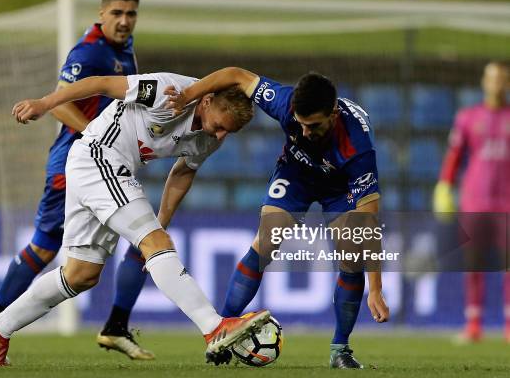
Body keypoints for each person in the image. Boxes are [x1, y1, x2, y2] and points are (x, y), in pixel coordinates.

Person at [0, 71, 270, 367]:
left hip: (102, 168)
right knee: (155, 243)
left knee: (82, 274)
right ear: (206, 101)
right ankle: (214, 327)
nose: (219, 135)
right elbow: (102, 84)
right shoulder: (165, 91)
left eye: (228, 132)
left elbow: (183, 172)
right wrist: (45, 103)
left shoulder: (210, 138)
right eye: (219, 125)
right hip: (99, 157)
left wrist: (161, 222)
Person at [164, 67, 390, 369]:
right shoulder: (285, 102)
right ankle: (221, 332)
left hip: (339, 187)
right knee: (267, 240)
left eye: (315, 126)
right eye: (302, 124)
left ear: (333, 114)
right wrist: (188, 95)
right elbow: (236, 75)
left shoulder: (357, 148)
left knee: (352, 256)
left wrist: (375, 288)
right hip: (296, 174)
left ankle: (340, 350)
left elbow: (368, 222)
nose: (306, 132)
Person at [0, 0, 155, 359]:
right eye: (117, 14)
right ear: (101, 14)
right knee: (45, 247)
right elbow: (57, 104)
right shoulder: (89, 52)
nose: (124, 21)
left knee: (142, 238)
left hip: (106, 164)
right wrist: (96, 135)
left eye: (131, 14)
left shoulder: (123, 48)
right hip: (75, 165)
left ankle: (116, 325)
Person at [433, 61, 510, 343]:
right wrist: (444, 185)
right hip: (474, 200)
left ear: (507, 83)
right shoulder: (468, 117)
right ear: (484, 82)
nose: (497, 84)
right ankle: (474, 324)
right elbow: (454, 156)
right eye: (492, 78)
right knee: (473, 263)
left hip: (507, 203)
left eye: (502, 79)